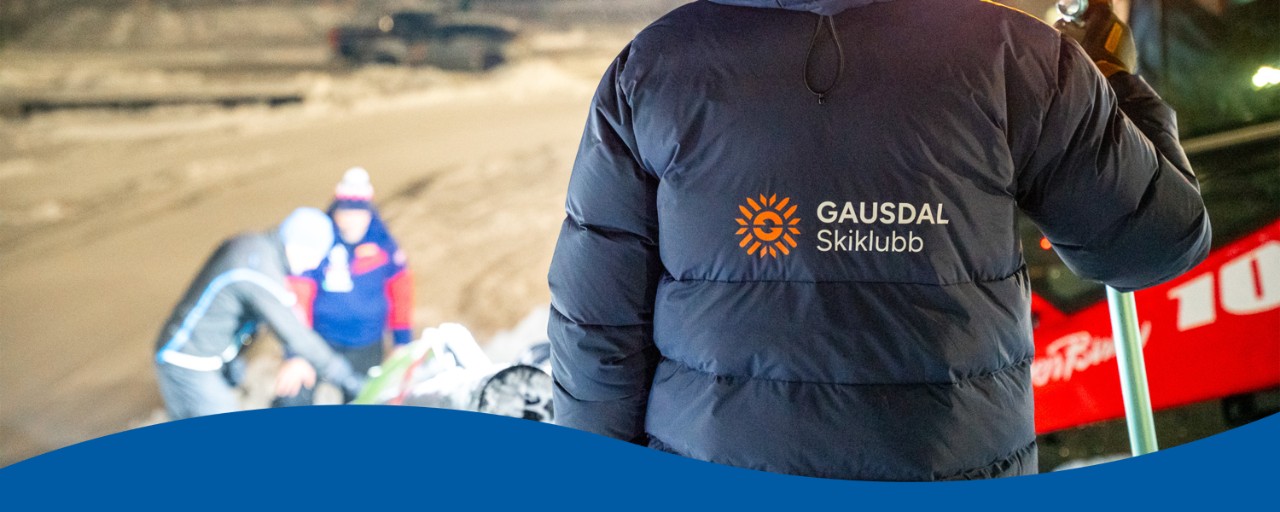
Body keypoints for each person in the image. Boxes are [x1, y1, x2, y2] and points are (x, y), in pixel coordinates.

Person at [547, 0, 1211, 480]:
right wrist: (1113, 82)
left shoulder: (652, 68)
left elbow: (596, 330)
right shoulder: (1017, 58)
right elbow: (1155, 244)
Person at [155, 207, 366, 420]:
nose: (312, 265)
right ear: (297, 243)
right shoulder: (258, 269)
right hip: (187, 361)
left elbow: (228, 308)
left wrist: (229, 357)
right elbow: (293, 331)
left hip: (197, 357)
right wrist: (344, 376)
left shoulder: (259, 252)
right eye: (314, 256)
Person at [273, 167, 415, 406]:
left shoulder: (383, 242)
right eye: (345, 211)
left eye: (359, 212)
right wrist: (295, 353)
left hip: (367, 345)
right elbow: (299, 295)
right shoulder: (320, 238)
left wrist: (402, 342)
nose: (351, 220)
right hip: (318, 341)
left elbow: (401, 291)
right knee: (291, 396)